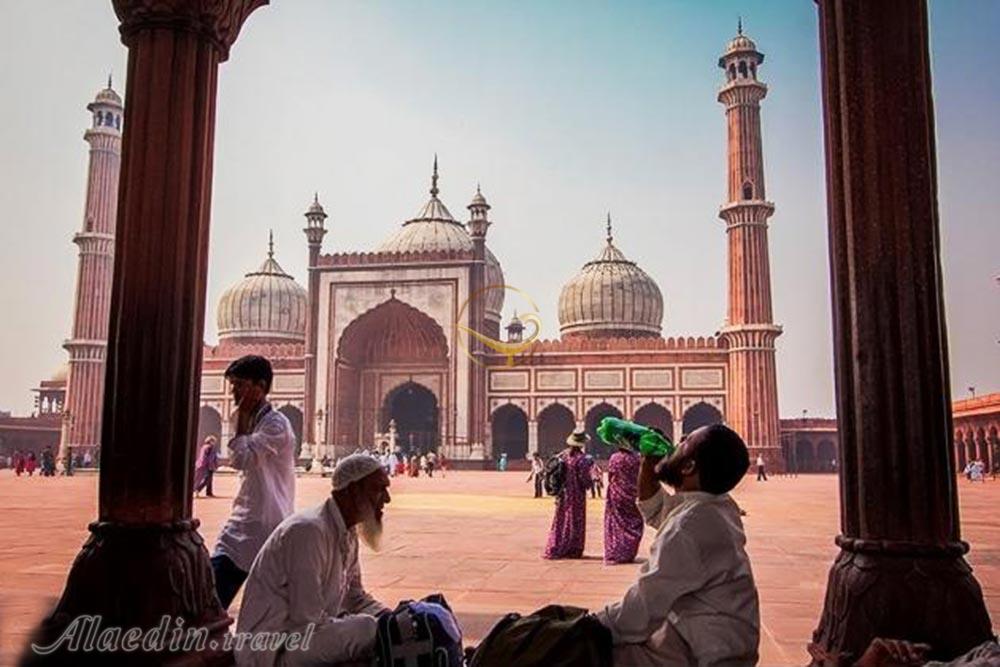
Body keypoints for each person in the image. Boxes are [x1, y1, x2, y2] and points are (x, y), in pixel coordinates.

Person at [595, 424, 759, 666]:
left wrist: (583, 627)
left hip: (704, 655)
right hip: (707, 639)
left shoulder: (689, 527)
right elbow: (656, 508)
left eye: (685, 442)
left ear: (689, 466)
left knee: (577, 653)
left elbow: (640, 610)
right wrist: (649, 462)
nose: (676, 442)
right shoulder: (714, 505)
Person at [236, 453, 391, 667]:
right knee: (366, 629)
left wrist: (391, 617)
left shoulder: (346, 532)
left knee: (378, 627)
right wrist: (367, 627)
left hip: (303, 637)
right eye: (378, 489)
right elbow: (306, 618)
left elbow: (355, 598)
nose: (387, 499)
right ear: (353, 491)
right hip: (272, 650)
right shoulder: (308, 532)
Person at [211, 355, 297, 610]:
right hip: (248, 518)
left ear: (259, 387)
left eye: (240, 384)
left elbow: (242, 460)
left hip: (260, 522)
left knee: (214, 596)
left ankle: (202, 640)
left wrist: (240, 427)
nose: (234, 391)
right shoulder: (258, 421)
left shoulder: (276, 424)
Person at [543, 432, 593, 560]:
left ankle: (557, 546)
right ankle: (573, 549)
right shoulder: (582, 459)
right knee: (575, 520)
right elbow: (585, 480)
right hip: (576, 494)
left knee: (561, 519)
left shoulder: (563, 456)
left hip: (562, 493)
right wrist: (590, 483)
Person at [604, 443, 643, 565]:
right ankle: (628, 552)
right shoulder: (636, 458)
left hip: (616, 494)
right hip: (632, 494)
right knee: (633, 522)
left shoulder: (614, 458)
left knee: (615, 523)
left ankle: (615, 552)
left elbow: (611, 476)